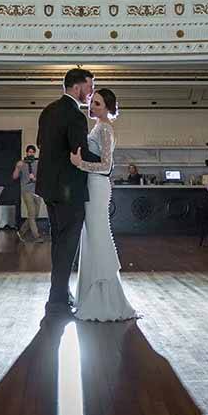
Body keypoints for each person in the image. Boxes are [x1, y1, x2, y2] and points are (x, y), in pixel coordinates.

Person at [67, 88, 137, 322]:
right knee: (91, 238)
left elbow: (106, 167)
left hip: (97, 186)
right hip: (92, 186)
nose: (92, 106)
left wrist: (79, 164)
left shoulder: (105, 129)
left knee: (98, 238)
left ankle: (104, 301)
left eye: (97, 104)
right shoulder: (98, 127)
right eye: (92, 102)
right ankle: (92, 295)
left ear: (107, 108)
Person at [36, 67, 95, 316]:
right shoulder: (75, 115)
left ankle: (58, 294)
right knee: (67, 244)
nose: (91, 91)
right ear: (77, 86)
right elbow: (79, 152)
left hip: (49, 187)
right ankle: (58, 299)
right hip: (69, 189)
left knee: (59, 242)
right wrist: (107, 159)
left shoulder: (48, 110)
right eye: (90, 86)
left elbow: (41, 143)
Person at [13, 145, 44, 241]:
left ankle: (21, 232)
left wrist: (35, 179)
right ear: (26, 152)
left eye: (32, 152)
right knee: (31, 213)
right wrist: (17, 168)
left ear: (34, 153)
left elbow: (43, 177)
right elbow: (14, 177)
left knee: (35, 214)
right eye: (29, 152)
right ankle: (37, 236)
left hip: (37, 191)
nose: (30, 153)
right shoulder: (21, 164)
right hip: (26, 191)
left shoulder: (38, 163)